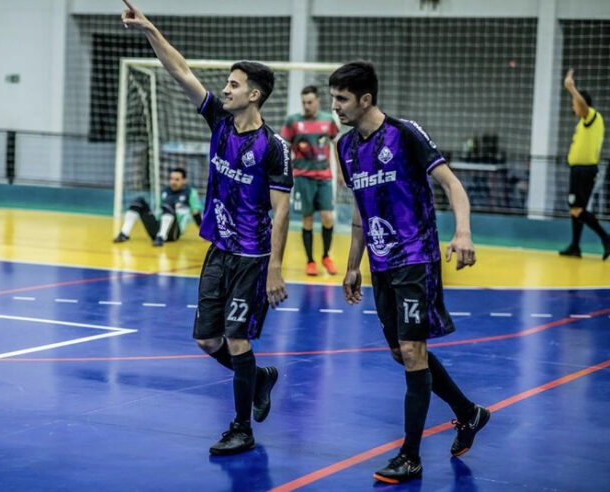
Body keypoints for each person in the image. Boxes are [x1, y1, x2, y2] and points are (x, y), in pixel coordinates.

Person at [122, 0, 293, 456]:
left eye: (234, 84)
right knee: (206, 339)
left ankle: (241, 427)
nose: (226, 89)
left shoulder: (274, 147)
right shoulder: (218, 119)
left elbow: (282, 211)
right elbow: (180, 71)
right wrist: (149, 29)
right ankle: (259, 377)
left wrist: (276, 268)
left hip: (252, 257)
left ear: (254, 94)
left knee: (237, 338)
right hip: (218, 248)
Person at [330, 61, 489, 484]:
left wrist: (463, 232)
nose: (335, 106)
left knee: (413, 351)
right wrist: (352, 266)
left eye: (342, 98)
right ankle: (469, 412)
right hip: (380, 264)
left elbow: (452, 184)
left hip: (416, 258)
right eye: (333, 98)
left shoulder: (405, 134)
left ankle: (410, 457)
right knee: (402, 353)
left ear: (366, 99)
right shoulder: (345, 148)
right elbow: (361, 216)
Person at [281, 86, 340, 276]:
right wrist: (286, 174)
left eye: (310, 102)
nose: (306, 106)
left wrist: (340, 173)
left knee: (327, 217)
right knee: (307, 219)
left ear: (317, 101)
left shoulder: (328, 120)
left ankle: (326, 256)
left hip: (324, 177)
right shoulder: (293, 122)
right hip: (302, 177)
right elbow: (285, 150)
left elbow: (336, 145)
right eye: (304, 102)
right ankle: (310, 261)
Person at [559, 68, 609, 260]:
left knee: (577, 209)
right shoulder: (582, 123)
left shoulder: (592, 116)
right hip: (579, 170)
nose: (573, 107)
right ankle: (575, 246)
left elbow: (583, 107)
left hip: (584, 171)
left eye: (574, 103)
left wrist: (571, 88)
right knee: (576, 210)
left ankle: (606, 238)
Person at [114, 167, 203, 246]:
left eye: (177, 179)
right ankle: (124, 233)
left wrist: (204, 233)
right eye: (171, 179)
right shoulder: (165, 191)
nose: (173, 182)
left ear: (184, 180)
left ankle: (162, 237)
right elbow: (160, 211)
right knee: (138, 201)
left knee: (169, 203)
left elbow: (196, 214)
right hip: (158, 229)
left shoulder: (190, 192)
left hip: (174, 232)